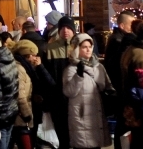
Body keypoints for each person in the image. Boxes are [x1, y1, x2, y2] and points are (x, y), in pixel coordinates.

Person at [62, 33, 113, 149]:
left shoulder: (98, 67)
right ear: (77, 49)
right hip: (81, 115)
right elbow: (69, 92)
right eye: (84, 47)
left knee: (96, 144)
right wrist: (78, 76)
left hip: (97, 112)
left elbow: (106, 86)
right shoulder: (71, 69)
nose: (88, 49)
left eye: (90, 46)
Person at [44, 15, 76, 149]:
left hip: (75, 97)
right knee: (61, 130)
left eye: (69, 27)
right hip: (58, 96)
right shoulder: (51, 48)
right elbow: (48, 73)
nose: (65, 30)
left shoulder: (78, 46)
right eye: (62, 27)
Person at [105, 11, 136, 149]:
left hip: (118, 88)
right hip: (120, 89)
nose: (133, 27)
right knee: (123, 123)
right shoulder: (119, 41)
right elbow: (116, 66)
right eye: (131, 24)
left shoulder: (119, 39)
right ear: (122, 25)